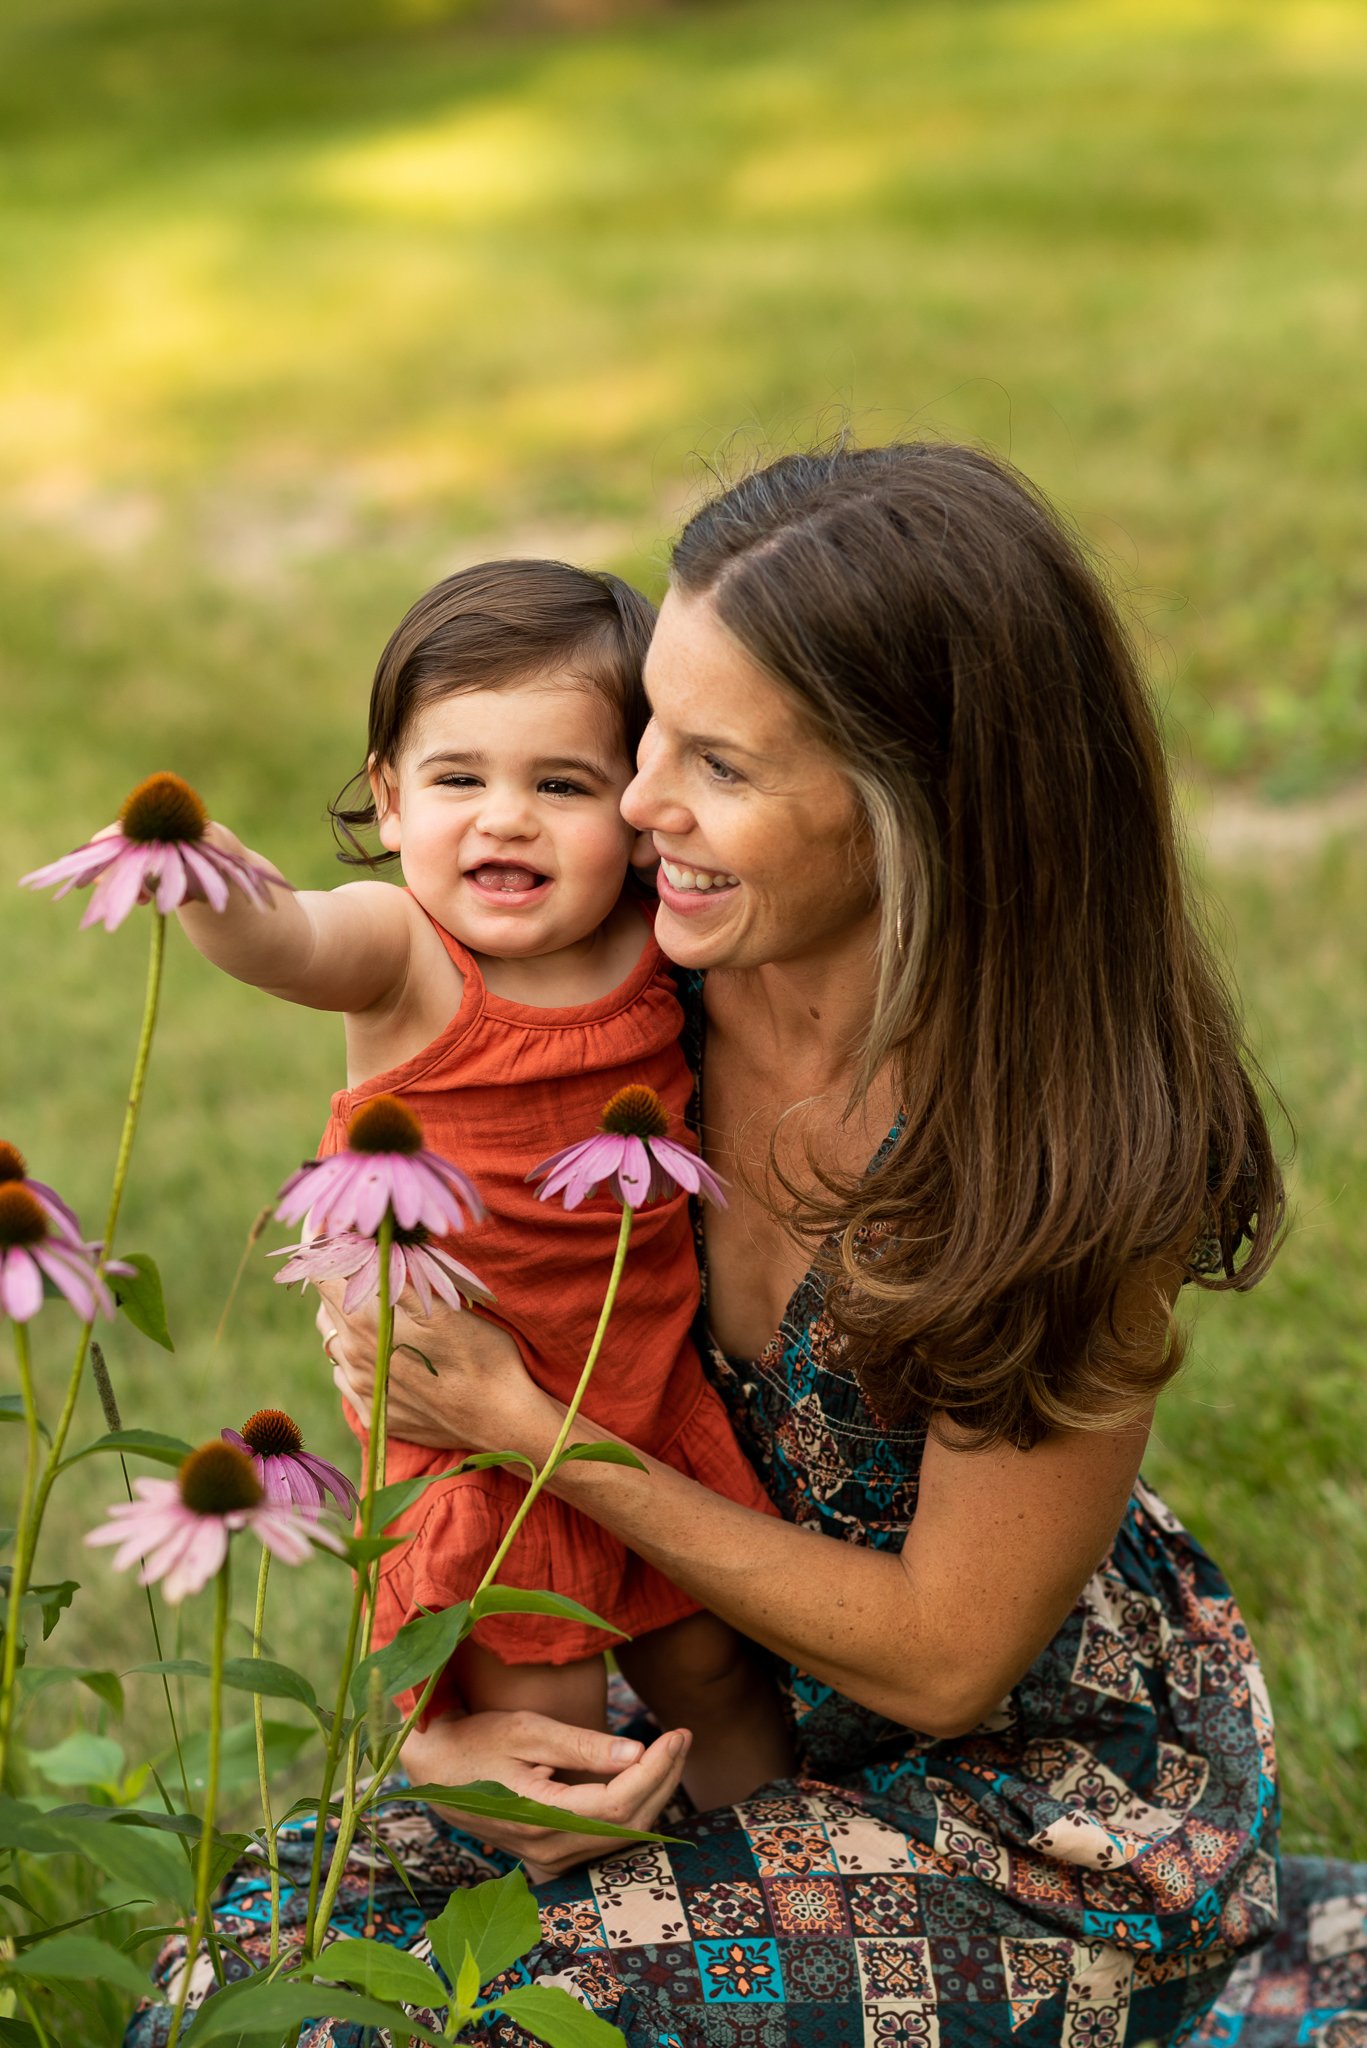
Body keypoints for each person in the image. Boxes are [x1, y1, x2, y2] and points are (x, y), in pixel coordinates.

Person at [130, 446, 1367, 2048]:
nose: (635, 803)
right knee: (239, 1987)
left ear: (913, 811)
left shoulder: (1064, 1146)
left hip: (1016, 1797)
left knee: (444, 2031)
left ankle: (1245, 1973)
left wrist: (536, 1431)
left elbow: (940, 1660)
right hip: (697, 1678)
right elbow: (413, 1323)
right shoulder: (633, 1001)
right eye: (649, 727)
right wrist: (443, 1718)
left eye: (714, 763)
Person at [171, 556, 792, 1811]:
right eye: (459, 778)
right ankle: (566, 1903)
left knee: (713, 1664)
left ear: (634, 806)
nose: (504, 817)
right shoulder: (401, 950)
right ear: (390, 800)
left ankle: (769, 1847)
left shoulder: (653, 943)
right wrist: (206, 882)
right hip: (471, 1432)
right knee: (538, 1714)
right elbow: (287, 941)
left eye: (559, 783)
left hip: (639, 1401)